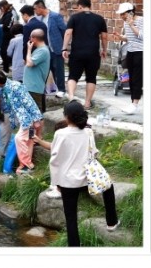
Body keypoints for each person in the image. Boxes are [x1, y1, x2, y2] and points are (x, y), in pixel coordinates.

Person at [32, 101, 119, 246]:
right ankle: (112, 222)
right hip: (87, 178)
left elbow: (55, 159)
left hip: (67, 182)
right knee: (108, 187)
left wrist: (56, 184)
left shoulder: (61, 134)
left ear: (66, 117)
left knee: (71, 217)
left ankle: (74, 247)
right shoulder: (88, 131)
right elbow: (93, 152)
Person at [62, 0, 108, 109]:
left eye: (78, 8)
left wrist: (64, 48)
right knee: (91, 78)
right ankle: (87, 102)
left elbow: (68, 33)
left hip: (77, 52)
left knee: (73, 76)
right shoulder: (99, 19)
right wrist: (104, 50)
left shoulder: (74, 18)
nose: (77, 10)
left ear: (80, 6)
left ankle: (72, 97)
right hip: (93, 53)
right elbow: (104, 36)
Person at [113, 2, 143, 114]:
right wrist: (121, 37)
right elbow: (130, 38)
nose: (121, 16)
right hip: (130, 51)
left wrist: (131, 25)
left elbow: (142, 36)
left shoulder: (141, 20)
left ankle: (134, 104)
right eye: (121, 14)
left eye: (123, 14)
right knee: (131, 78)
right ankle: (132, 103)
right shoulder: (126, 23)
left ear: (131, 12)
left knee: (137, 79)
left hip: (140, 52)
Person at [33, 0, 67, 98]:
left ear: (40, 8)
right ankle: (52, 87)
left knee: (59, 69)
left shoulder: (55, 16)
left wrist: (62, 45)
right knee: (49, 68)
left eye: (35, 9)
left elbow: (63, 30)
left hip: (56, 47)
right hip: (46, 48)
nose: (35, 12)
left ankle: (61, 89)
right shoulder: (40, 19)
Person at [24, 29, 51, 113]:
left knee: (36, 115)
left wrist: (29, 50)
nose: (29, 40)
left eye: (30, 38)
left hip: (34, 87)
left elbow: (29, 63)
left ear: (34, 38)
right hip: (31, 87)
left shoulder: (43, 51)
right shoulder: (39, 50)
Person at [0, 0, 16, 73]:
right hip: (3, 35)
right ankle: (5, 67)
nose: (1, 10)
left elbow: (7, 26)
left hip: (7, 36)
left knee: (5, 52)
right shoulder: (4, 14)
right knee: (2, 52)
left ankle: (6, 68)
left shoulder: (10, 14)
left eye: (1, 8)